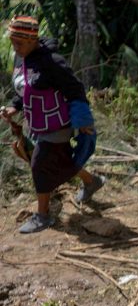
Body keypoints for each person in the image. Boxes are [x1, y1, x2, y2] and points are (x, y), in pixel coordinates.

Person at [1, 16, 104, 234]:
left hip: (58, 125)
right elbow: (26, 89)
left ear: (32, 40)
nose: (15, 48)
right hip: (37, 124)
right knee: (60, 161)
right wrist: (14, 106)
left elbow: (75, 90)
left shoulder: (52, 62)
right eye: (13, 43)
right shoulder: (22, 58)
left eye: (19, 43)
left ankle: (43, 216)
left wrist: (84, 121)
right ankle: (92, 181)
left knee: (40, 165)